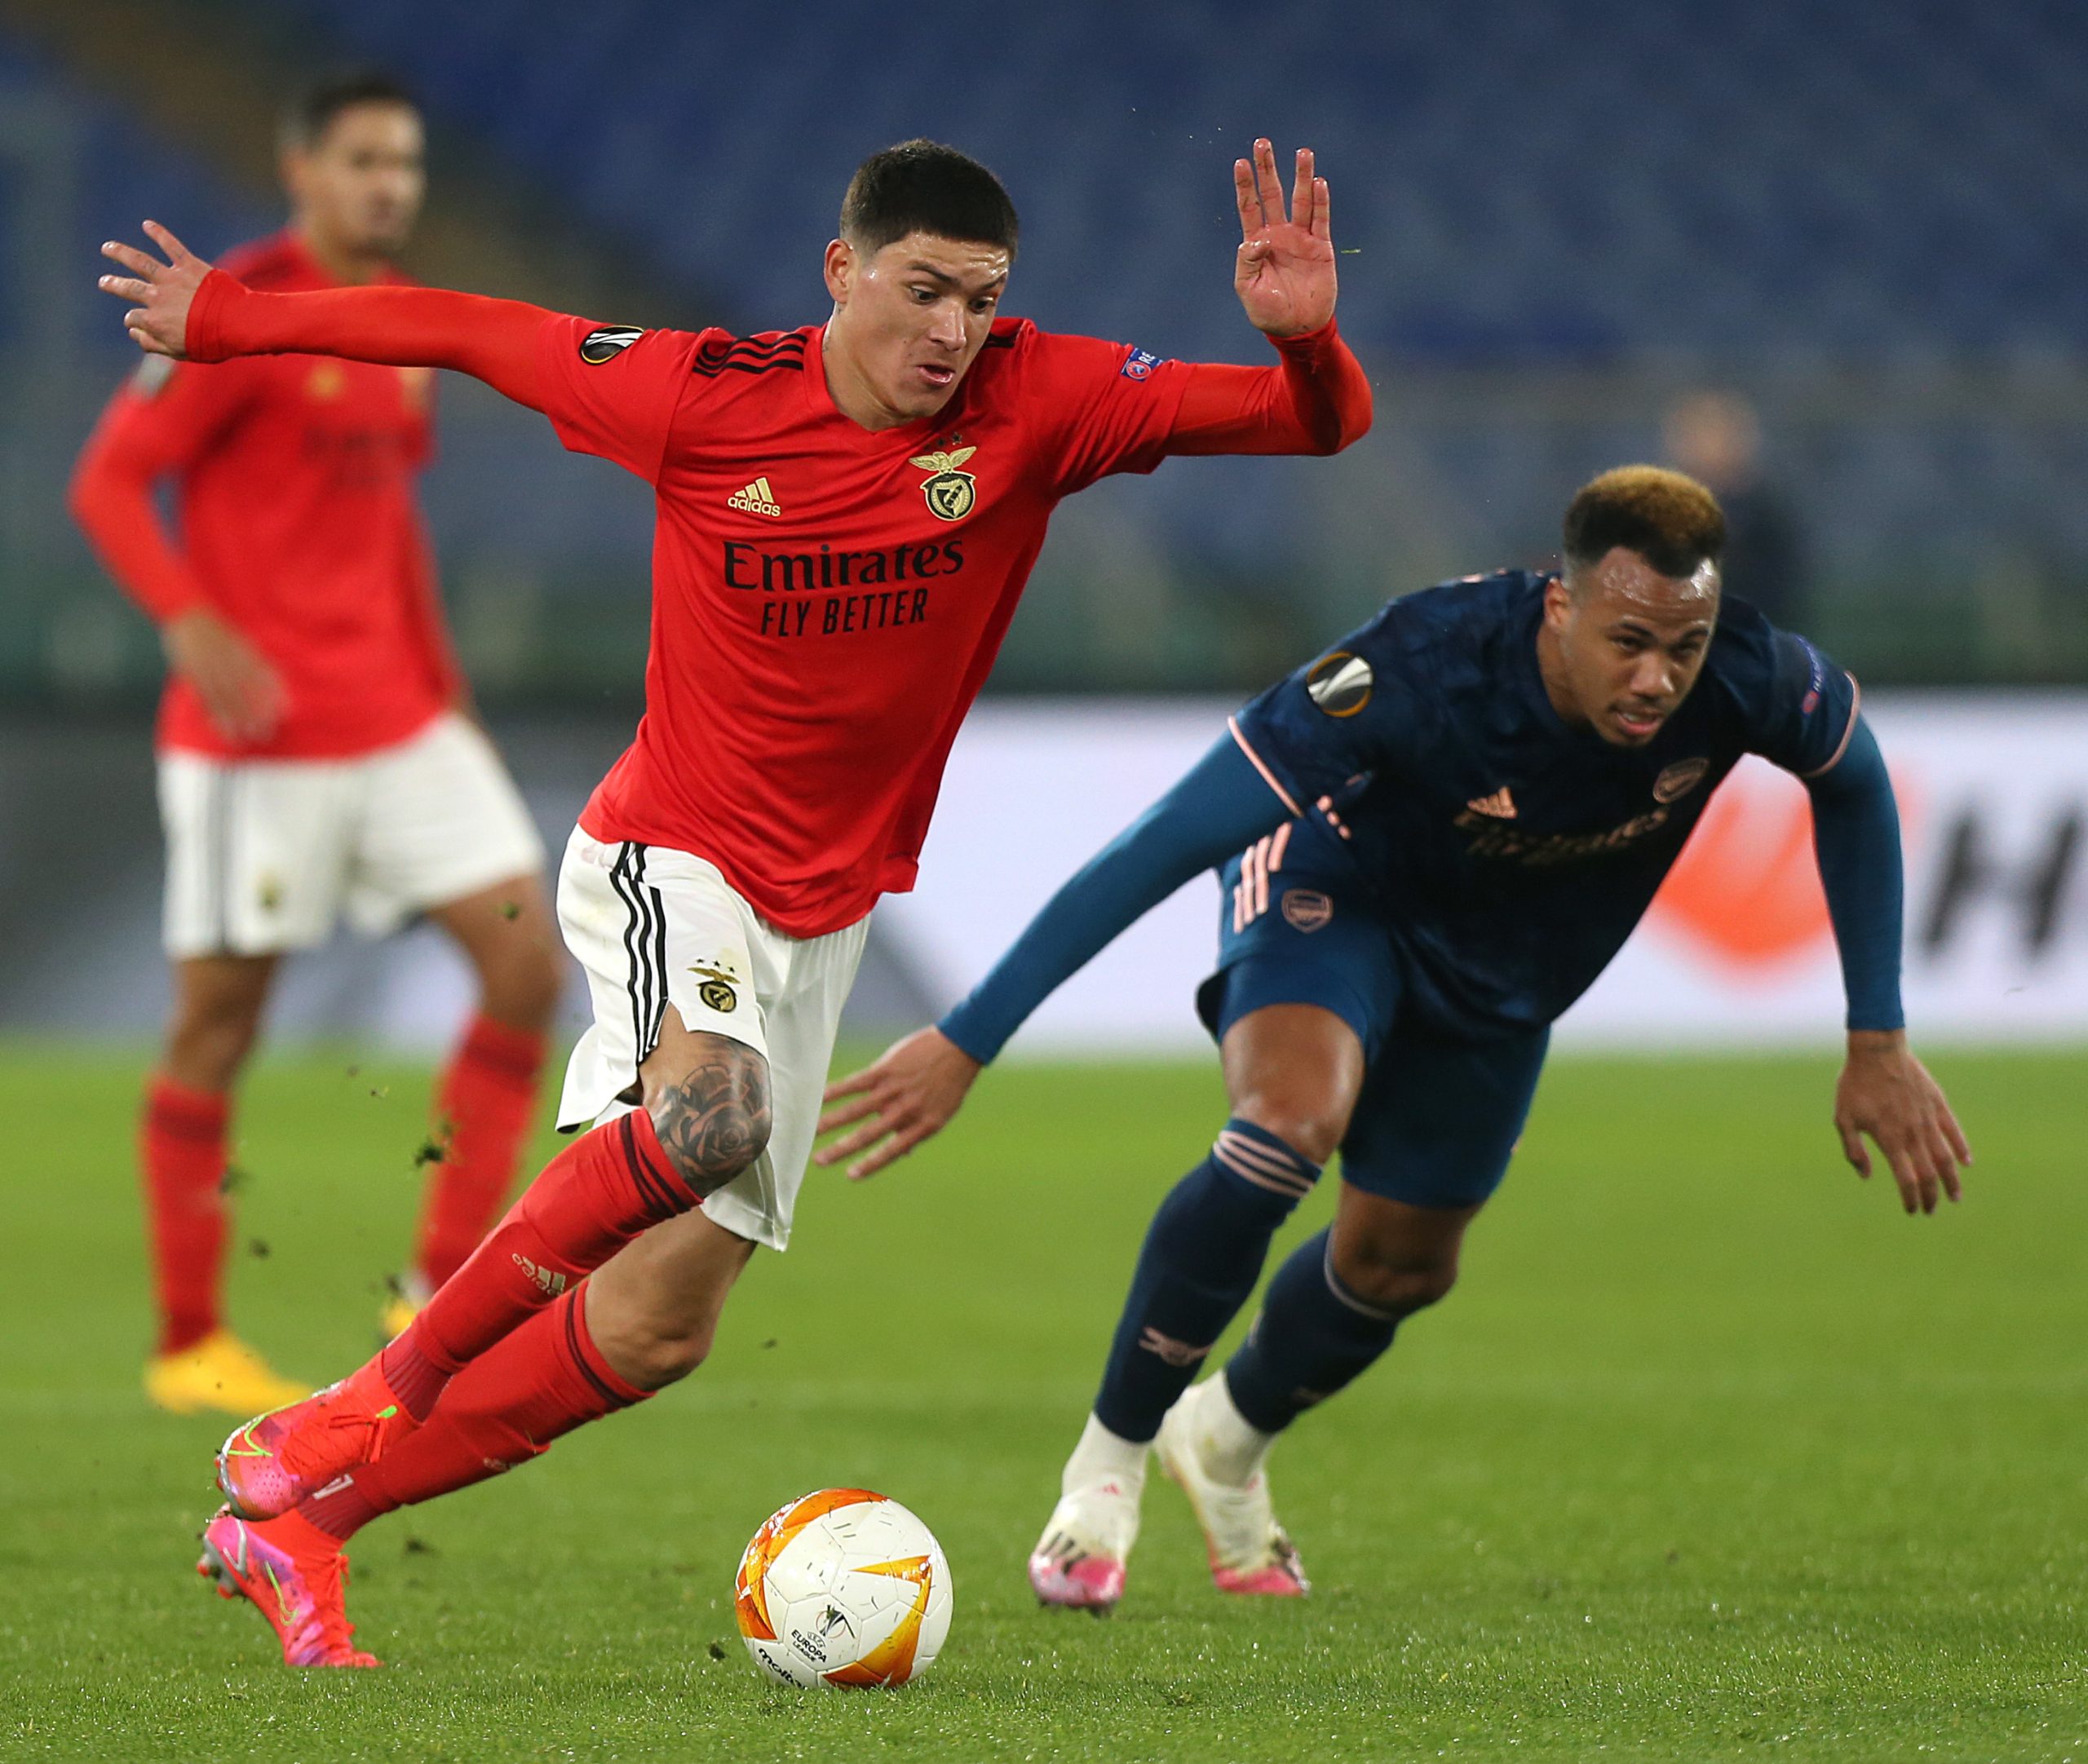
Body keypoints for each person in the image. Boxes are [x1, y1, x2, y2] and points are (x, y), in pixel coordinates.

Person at [99, 136, 1372, 1666]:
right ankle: (358, 1403)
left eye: (979, 299)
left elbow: (1317, 427)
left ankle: (302, 1526)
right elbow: (474, 331)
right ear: (842, 275)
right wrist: (234, 320)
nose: (953, 332)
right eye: (922, 293)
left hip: (820, 912)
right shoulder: (702, 395)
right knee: (712, 1117)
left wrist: (1304, 337)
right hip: (669, 854)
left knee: (654, 1326)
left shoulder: (1044, 400)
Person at [820, 466, 1972, 1612]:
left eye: (1685, 644)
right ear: (1561, 609)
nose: (1659, 677)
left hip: (1505, 974)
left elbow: (1856, 783)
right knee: (1287, 1125)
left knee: (1400, 1265)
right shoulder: (1419, 666)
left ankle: (1223, 1440)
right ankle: (1106, 1468)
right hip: (1336, 892)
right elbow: (1164, 839)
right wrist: (971, 1035)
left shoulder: (1752, 673)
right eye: (1629, 641)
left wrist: (1878, 1036)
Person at [69, 72, 560, 1421]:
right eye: (362, 161)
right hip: (257, 743)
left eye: (404, 162)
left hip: (401, 720)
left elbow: (384, 521)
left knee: (524, 961)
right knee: (220, 1022)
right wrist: (187, 620)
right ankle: (190, 1339)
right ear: (303, 172)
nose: (389, 185)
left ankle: (438, 1288)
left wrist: (444, 686)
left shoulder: (405, 331)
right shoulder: (233, 313)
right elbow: (107, 480)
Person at [1663, 389, 1808, 626]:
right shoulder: (1652, 517)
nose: (1708, 446)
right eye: (1697, 434)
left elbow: (1780, 593)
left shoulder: (1767, 520)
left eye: (1718, 433)